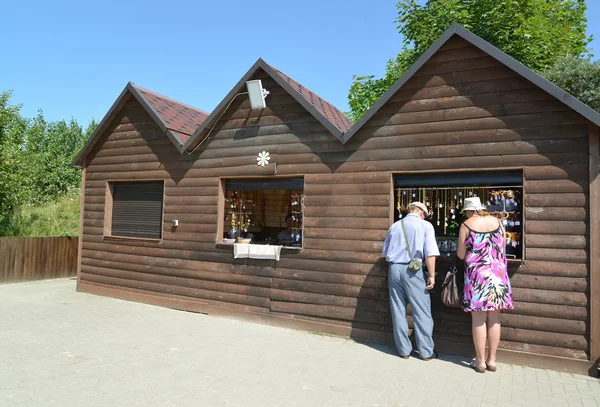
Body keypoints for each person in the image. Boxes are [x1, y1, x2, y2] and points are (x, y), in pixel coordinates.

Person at [457, 197, 514, 373]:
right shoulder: (497, 222)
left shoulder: (466, 225)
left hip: (477, 276)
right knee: (495, 318)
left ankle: (480, 362)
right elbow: (502, 248)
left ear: (468, 210)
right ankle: (492, 360)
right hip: (498, 275)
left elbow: (460, 254)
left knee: (478, 319)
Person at [382, 202, 440, 360]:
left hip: (394, 269)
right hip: (413, 270)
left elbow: (386, 252)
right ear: (422, 213)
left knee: (398, 310)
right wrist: (432, 275)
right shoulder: (425, 226)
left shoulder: (395, 225)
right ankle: (426, 352)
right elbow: (430, 253)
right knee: (421, 311)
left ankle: (403, 350)